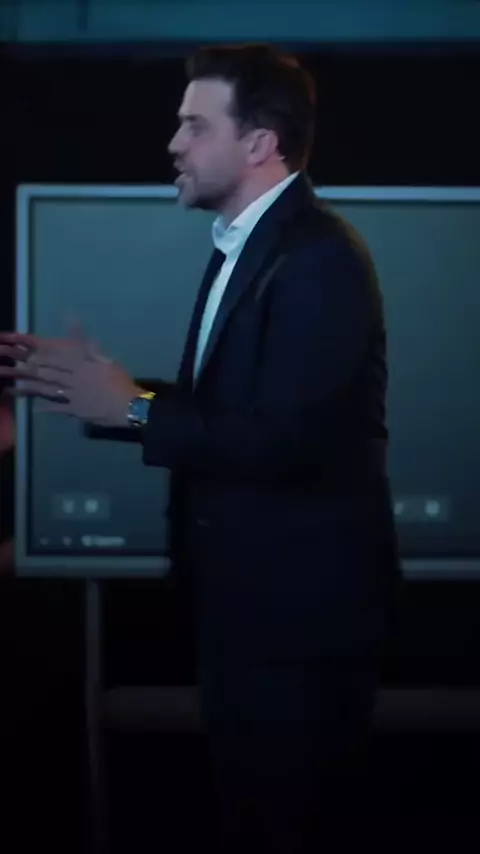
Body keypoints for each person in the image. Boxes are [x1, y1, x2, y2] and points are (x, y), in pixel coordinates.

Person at [0, 44, 401, 852]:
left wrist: (133, 409)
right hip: (249, 621)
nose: (173, 143)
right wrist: (106, 393)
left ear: (260, 143)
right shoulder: (252, 247)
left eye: (194, 125)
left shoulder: (318, 258)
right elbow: (233, 413)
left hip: (297, 630)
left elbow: (286, 440)